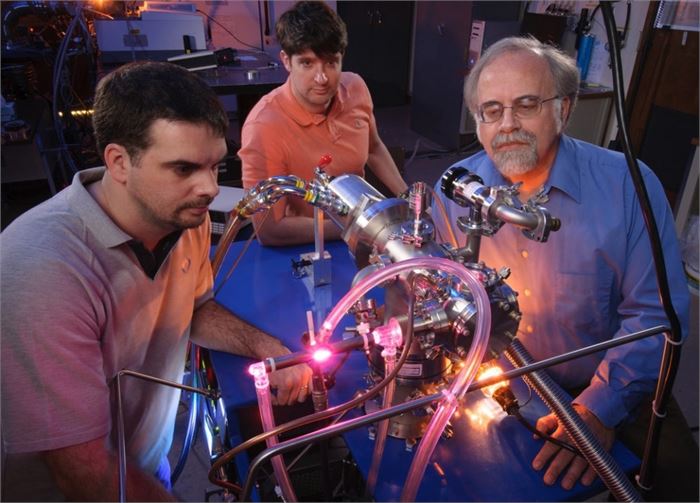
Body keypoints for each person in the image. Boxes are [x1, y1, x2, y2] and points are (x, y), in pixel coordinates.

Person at [0, 61, 312, 502]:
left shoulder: (182, 216)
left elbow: (195, 308)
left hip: (143, 467)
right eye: (183, 169)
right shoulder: (42, 269)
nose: (207, 188)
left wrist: (271, 351)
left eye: (214, 165)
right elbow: (82, 471)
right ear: (119, 162)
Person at [432, 36, 695, 499]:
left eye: (527, 105)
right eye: (490, 110)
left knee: (677, 484)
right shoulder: (455, 195)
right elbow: (446, 297)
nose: (507, 125)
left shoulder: (629, 186)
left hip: (619, 381)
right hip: (504, 379)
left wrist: (597, 411)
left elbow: (656, 318)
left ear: (565, 108)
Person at [239, 0, 408, 246]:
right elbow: (270, 230)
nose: (321, 78)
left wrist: (407, 198)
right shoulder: (263, 126)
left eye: (331, 62)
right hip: (308, 244)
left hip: (364, 232)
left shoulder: (356, 87)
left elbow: (373, 148)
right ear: (286, 61)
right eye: (307, 63)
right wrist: (360, 228)